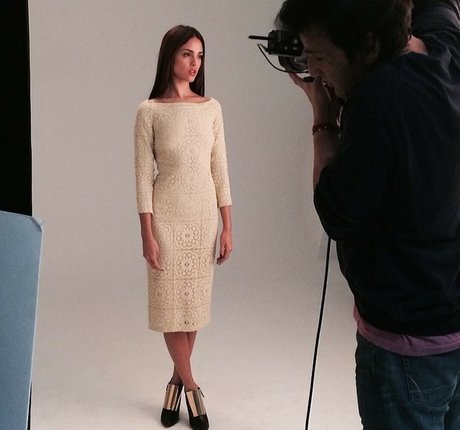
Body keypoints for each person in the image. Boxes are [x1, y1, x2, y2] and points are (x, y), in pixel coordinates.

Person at [277, 0, 460, 428]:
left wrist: (324, 119)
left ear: (369, 46)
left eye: (320, 57)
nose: (313, 70)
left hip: (405, 350)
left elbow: (337, 213)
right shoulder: (446, 48)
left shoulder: (378, 100)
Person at [134, 25, 232, 430]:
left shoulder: (211, 108)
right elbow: (143, 179)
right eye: (187, 54)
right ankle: (192, 388)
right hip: (166, 220)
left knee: (191, 306)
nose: (195, 63)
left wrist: (227, 226)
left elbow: (220, 170)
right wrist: (147, 234)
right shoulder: (149, 111)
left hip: (203, 218)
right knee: (171, 309)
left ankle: (175, 384)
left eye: (200, 55)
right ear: (170, 56)